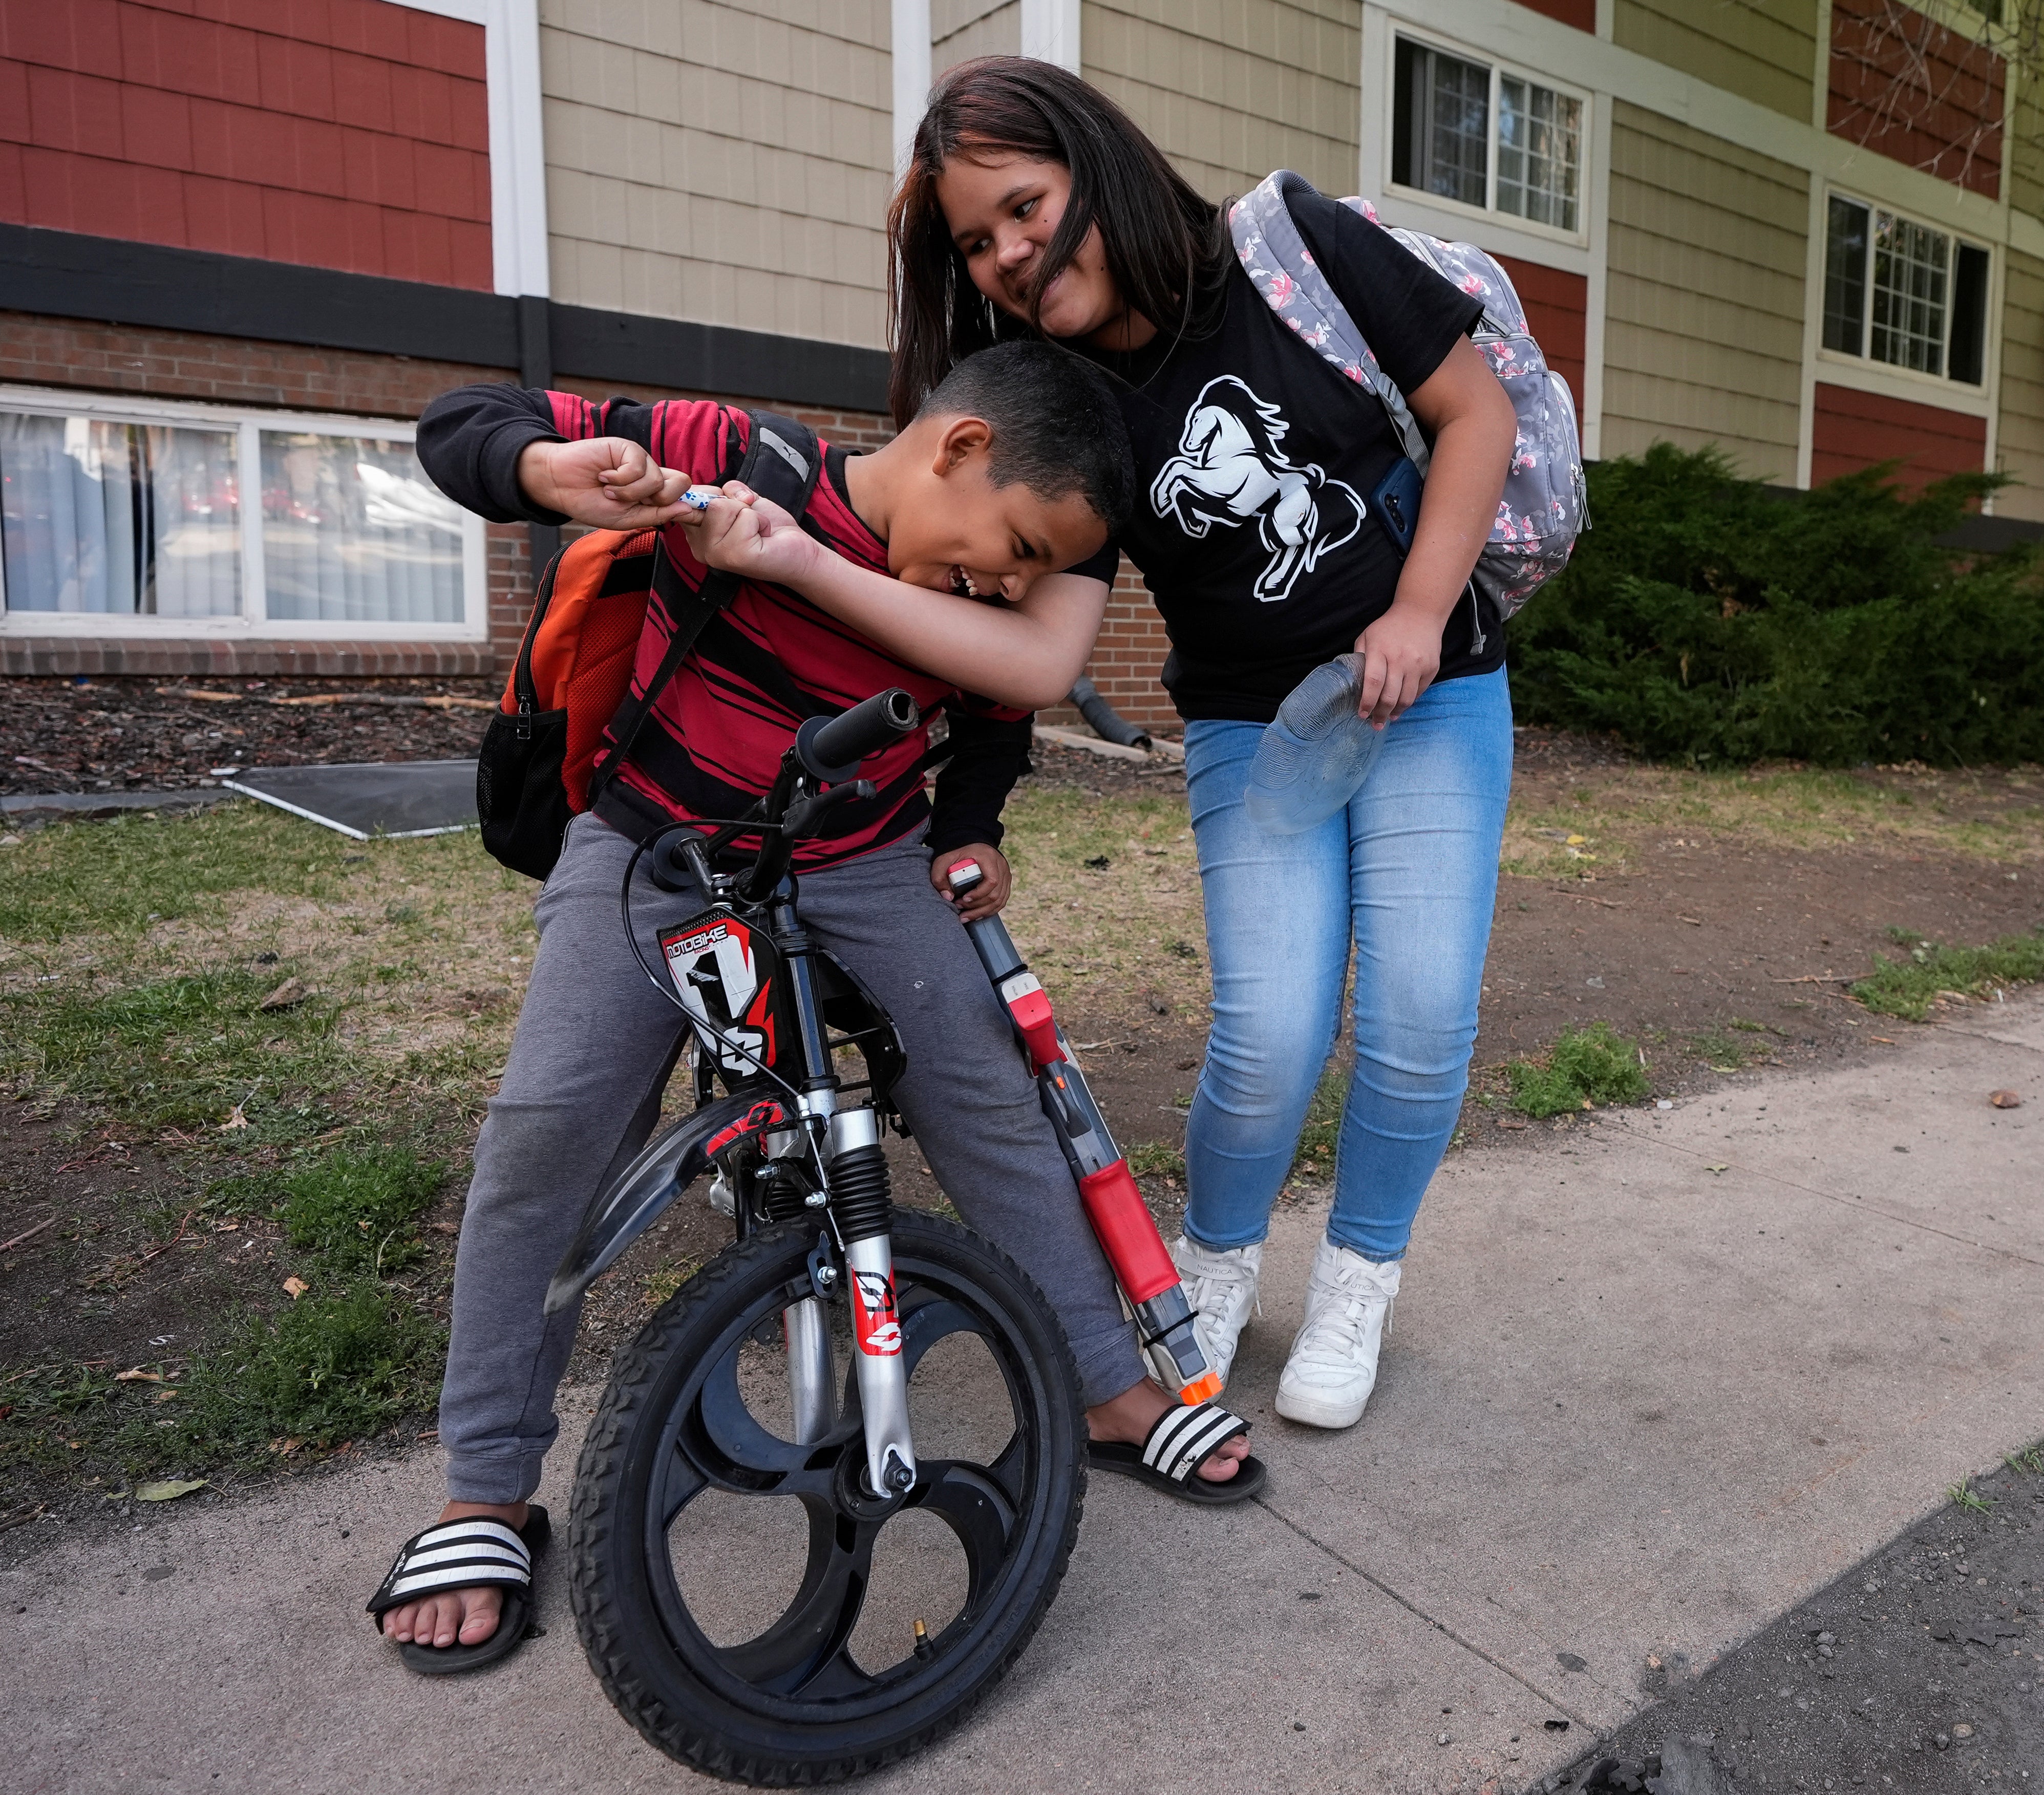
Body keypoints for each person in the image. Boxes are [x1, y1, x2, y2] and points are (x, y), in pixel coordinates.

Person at [369, 342, 1259, 1675]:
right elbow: (463, 421)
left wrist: (967, 822)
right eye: (1012, 547)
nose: (1007, 586)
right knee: (550, 1123)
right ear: (956, 449)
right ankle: (484, 1487)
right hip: (654, 838)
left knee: (987, 1085)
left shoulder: (967, 585)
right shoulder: (739, 454)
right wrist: (555, 468)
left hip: (863, 853)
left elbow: (993, 711)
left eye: (1030, 578)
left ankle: (1103, 1380)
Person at [768, 57, 1519, 1433]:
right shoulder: (1065, 402)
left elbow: (1476, 413)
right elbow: (1021, 647)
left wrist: (1419, 610)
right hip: (1256, 728)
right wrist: (967, 808)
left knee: (1417, 1021)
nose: (1005, 254)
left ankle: (1358, 1277)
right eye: (977, 242)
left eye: (1024, 208)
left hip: (1433, 691)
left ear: (1092, 166)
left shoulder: (1293, 248)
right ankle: (1219, 1263)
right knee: (1269, 1032)